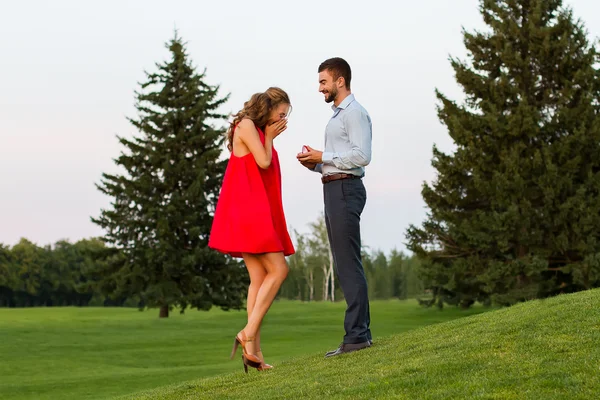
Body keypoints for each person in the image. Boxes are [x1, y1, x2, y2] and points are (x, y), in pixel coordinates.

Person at [209, 87, 294, 372]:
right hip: (247, 211)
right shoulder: (245, 125)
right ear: (268, 107)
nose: (283, 119)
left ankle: (253, 353)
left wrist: (268, 137)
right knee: (279, 270)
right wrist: (269, 137)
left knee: (259, 278)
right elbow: (264, 161)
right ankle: (247, 332)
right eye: (281, 114)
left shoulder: (255, 130)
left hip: (253, 210)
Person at [297, 57, 373, 357]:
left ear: (340, 81)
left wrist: (323, 156)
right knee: (344, 263)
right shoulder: (337, 116)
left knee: (348, 263)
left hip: (345, 190)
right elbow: (336, 160)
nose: (320, 88)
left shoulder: (354, 113)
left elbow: (362, 156)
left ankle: (357, 337)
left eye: (323, 81)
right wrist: (315, 164)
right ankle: (358, 334)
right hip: (334, 188)